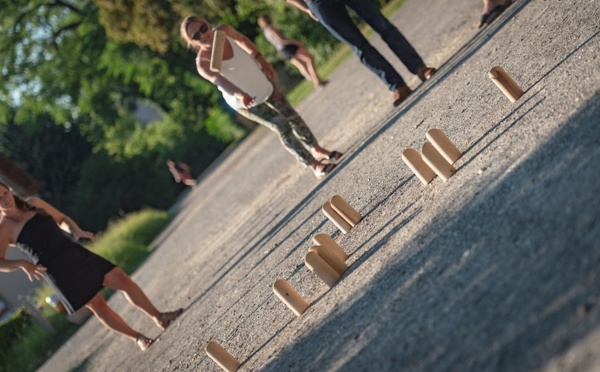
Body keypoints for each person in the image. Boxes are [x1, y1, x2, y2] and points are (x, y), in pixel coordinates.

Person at [0, 183, 183, 351]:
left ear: (9, 190)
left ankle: (159, 317)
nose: (4, 199)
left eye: (5, 193)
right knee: (98, 305)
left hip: (73, 252)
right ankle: (138, 338)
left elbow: (62, 218)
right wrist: (21, 263)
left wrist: (75, 230)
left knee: (122, 280)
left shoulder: (33, 202)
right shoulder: (4, 228)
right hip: (57, 271)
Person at [180, 16, 342, 178]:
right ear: (193, 42)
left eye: (203, 28)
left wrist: (261, 59)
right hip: (244, 102)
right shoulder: (203, 62)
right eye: (196, 36)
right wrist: (241, 94)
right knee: (281, 125)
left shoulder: (223, 31)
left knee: (292, 115)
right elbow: (220, 81)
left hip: (261, 82)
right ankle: (313, 164)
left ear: (207, 24)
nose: (202, 35)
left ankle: (317, 149)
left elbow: (243, 40)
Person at [286, 0, 437, 107]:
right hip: (319, 3)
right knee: (359, 46)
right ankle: (397, 86)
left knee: (383, 26)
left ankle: (419, 68)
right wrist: (307, 8)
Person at [257, 14, 328, 89]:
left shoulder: (266, 32)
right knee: (310, 58)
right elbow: (281, 40)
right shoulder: (271, 29)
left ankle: (316, 81)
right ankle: (317, 80)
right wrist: (295, 42)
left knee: (302, 65)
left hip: (282, 51)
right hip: (288, 47)